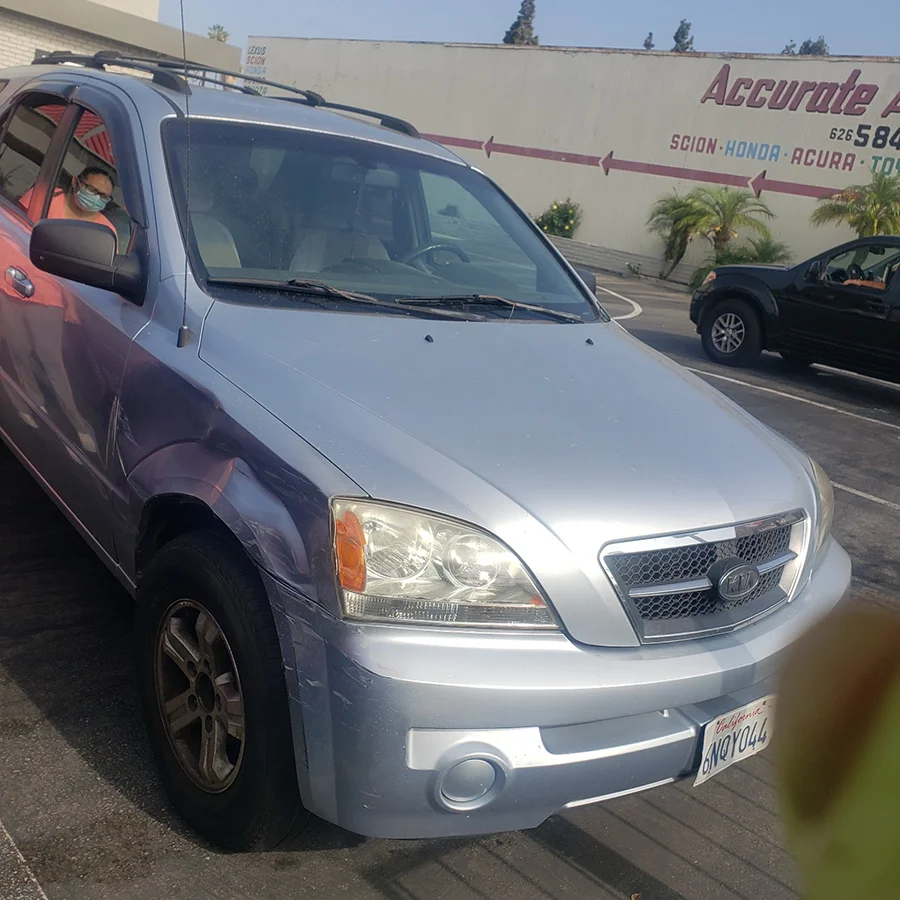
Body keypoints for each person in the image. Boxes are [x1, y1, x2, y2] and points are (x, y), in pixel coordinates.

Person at [20, 166, 118, 244]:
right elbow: (15, 225)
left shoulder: (107, 232)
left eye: (104, 196)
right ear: (75, 182)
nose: (96, 198)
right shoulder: (45, 196)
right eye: (92, 190)